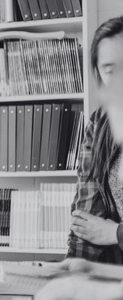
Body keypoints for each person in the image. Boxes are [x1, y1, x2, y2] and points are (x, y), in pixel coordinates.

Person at [68, 16, 123, 264]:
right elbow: (86, 218)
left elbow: (105, 231)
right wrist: (72, 271)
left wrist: (115, 233)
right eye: (111, 70)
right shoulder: (100, 123)